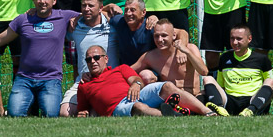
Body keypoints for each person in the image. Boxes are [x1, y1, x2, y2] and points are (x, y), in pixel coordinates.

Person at [0, 0, 79, 117]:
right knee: (14, 114)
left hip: (51, 79)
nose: (42, 1)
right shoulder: (23, 19)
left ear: (54, 0)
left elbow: (91, 14)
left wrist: (105, 9)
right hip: (24, 79)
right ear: (33, 0)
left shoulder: (64, 16)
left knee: (51, 115)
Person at [76, 45, 215, 117]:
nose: (92, 61)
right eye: (89, 59)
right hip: (117, 107)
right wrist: (83, 114)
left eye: (96, 58)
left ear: (105, 59)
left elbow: (137, 80)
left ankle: (206, 111)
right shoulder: (84, 85)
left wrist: (136, 84)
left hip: (136, 95)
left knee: (167, 86)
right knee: (139, 107)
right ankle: (172, 115)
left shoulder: (120, 69)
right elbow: (82, 109)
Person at [131, 20, 223, 110]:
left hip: (195, 96)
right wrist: (136, 83)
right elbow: (128, 70)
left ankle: (218, 108)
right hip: (173, 99)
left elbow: (204, 71)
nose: (160, 40)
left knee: (208, 80)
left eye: (164, 35)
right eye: (156, 36)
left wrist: (187, 52)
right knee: (145, 74)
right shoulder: (150, 56)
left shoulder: (190, 48)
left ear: (174, 35)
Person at [59, 0, 120, 117]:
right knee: (64, 113)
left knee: (100, 111)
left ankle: (89, 109)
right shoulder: (74, 27)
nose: (86, 9)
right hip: (84, 81)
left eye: (91, 6)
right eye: (84, 5)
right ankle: (86, 108)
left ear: (101, 8)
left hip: (109, 81)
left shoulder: (113, 26)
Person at [206, 24, 273, 116]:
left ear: (249, 39)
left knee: (270, 81)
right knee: (208, 79)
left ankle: (251, 110)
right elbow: (220, 85)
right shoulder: (224, 58)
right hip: (230, 101)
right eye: (232, 38)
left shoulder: (261, 59)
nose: (235, 42)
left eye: (239, 39)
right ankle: (219, 109)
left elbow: (271, 86)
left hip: (252, 100)